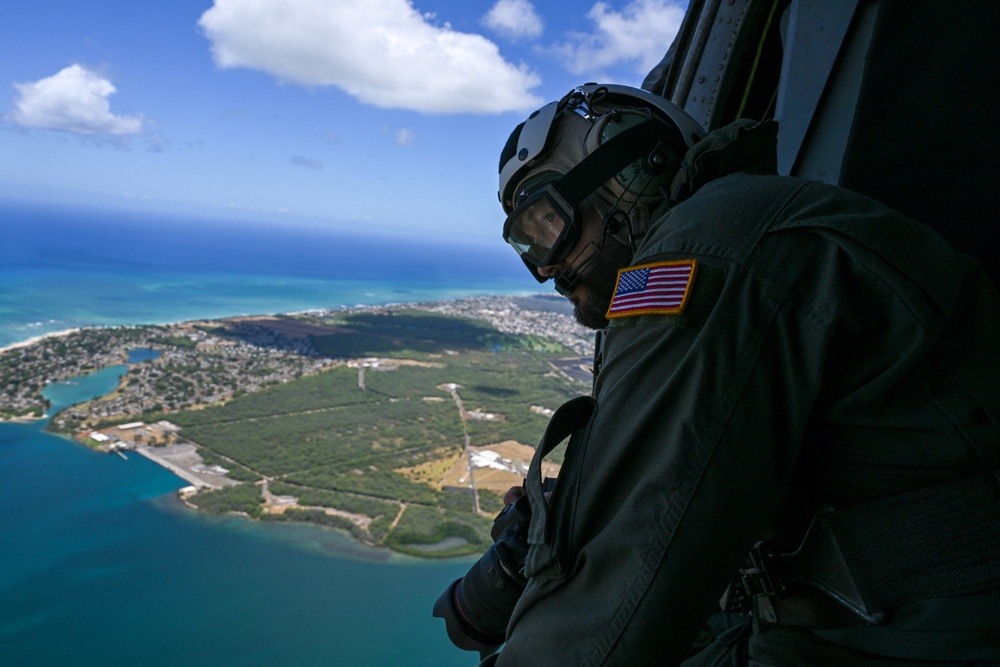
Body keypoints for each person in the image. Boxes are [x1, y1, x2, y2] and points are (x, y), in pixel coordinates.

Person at [477, 83, 1000, 665]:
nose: (544, 266)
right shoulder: (733, 233)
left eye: (547, 224)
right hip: (865, 621)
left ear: (636, 169)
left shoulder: (709, 245)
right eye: (526, 244)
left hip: (915, 637)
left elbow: (623, 587)